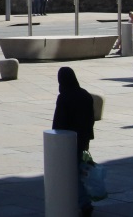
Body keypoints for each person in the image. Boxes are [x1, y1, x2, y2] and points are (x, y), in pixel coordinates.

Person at [51, 67, 95, 216]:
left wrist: (55, 139)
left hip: (69, 142)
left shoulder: (64, 97)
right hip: (83, 139)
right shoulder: (85, 95)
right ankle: (83, 199)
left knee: (72, 172)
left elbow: (59, 122)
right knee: (80, 170)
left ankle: (84, 202)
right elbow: (91, 120)